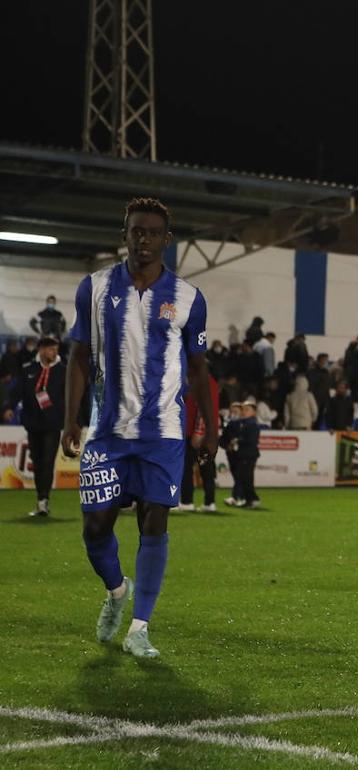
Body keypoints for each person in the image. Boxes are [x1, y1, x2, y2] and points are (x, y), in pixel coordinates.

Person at [62, 196, 216, 659]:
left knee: (155, 521)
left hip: (163, 432)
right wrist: (71, 418)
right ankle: (116, 590)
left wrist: (210, 424)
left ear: (167, 240)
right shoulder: (93, 288)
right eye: (136, 231)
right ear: (124, 235)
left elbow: (199, 367)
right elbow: (78, 356)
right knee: (95, 528)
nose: (143, 239)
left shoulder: (188, 298)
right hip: (107, 431)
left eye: (152, 232)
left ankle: (140, 628)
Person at [20, 336, 66, 517]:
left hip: (52, 425)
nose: (53, 352)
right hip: (33, 424)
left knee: (47, 462)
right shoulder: (29, 370)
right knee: (38, 463)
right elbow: (19, 392)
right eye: (50, 348)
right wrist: (7, 408)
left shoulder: (63, 371)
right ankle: (40, 499)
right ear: (41, 350)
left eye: (55, 348)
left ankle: (44, 500)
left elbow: (70, 397)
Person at [176, 371, 219, 513]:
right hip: (206, 433)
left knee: (188, 467)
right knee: (206, 468)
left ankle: (187, 501)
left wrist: (199, 432)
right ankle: (209, 502)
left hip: (196, 433)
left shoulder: (202, 381)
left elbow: (204, 407)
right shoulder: (208, 381)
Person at [228, 398, 261, 508]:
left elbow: (251, 440)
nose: (244, 412)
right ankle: (250, 499)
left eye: (247, 409)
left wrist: (237, 440)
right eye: (243, 409)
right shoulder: (245, 423)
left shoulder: (252, 424)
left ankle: (252, 499)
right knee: (244, 478)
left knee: (246, 478)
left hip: (248, 455)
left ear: (254, 412)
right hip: (245, 454)